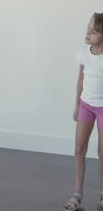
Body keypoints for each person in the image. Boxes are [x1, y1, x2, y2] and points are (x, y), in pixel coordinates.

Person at [63, 13, 103, 211]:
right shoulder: (83, 52)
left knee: (102, 152)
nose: (88, 33)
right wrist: (77, 104)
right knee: (79, 149)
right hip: (86, 105)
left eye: (94, 31)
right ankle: (77, 193)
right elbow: (80, 79)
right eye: (88, 28)